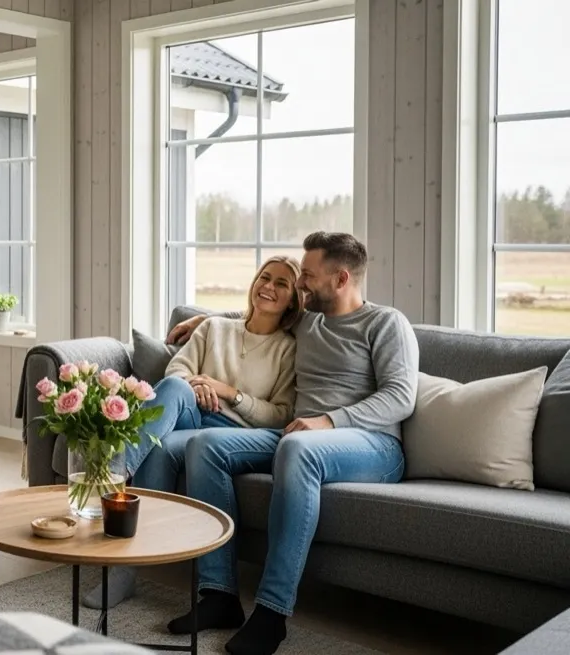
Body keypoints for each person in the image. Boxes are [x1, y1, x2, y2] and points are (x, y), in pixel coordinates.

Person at [163, 232, 419, 655]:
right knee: (205, 445)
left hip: (372, 445)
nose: (300, 284)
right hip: (298, 433)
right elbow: (263, 311)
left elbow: (400, 397)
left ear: (340, 279)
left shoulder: (386, 323)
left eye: (308, 276)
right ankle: (220, 597)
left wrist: (330, 420)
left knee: (297, 450)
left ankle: (272, 613)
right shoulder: (310, 318)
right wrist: (202, 319)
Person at [82, 255, 304, 611]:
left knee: (161, 445)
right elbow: (178, 368)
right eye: (265, 277)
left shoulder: (289, 349)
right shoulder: (215, 328)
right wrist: (196, 385)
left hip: (233, 432)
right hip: (189, 413)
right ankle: (117, 469)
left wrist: (229, 392)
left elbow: (280, 414)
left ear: (293, 299)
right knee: (174, 385)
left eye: (281, 284)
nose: (268, 287)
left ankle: (124, 566)